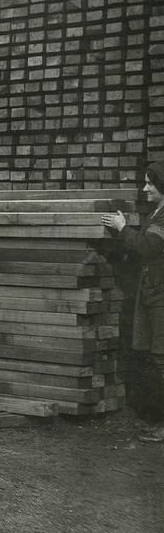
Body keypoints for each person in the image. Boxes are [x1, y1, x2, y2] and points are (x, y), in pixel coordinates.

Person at [102, 161, 164, 443]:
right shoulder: (158, 212)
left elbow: (147, 247)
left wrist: (123, 228)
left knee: (162, 358)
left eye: (151, 183)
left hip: (161, 296)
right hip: (155, 293)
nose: (145, 188)